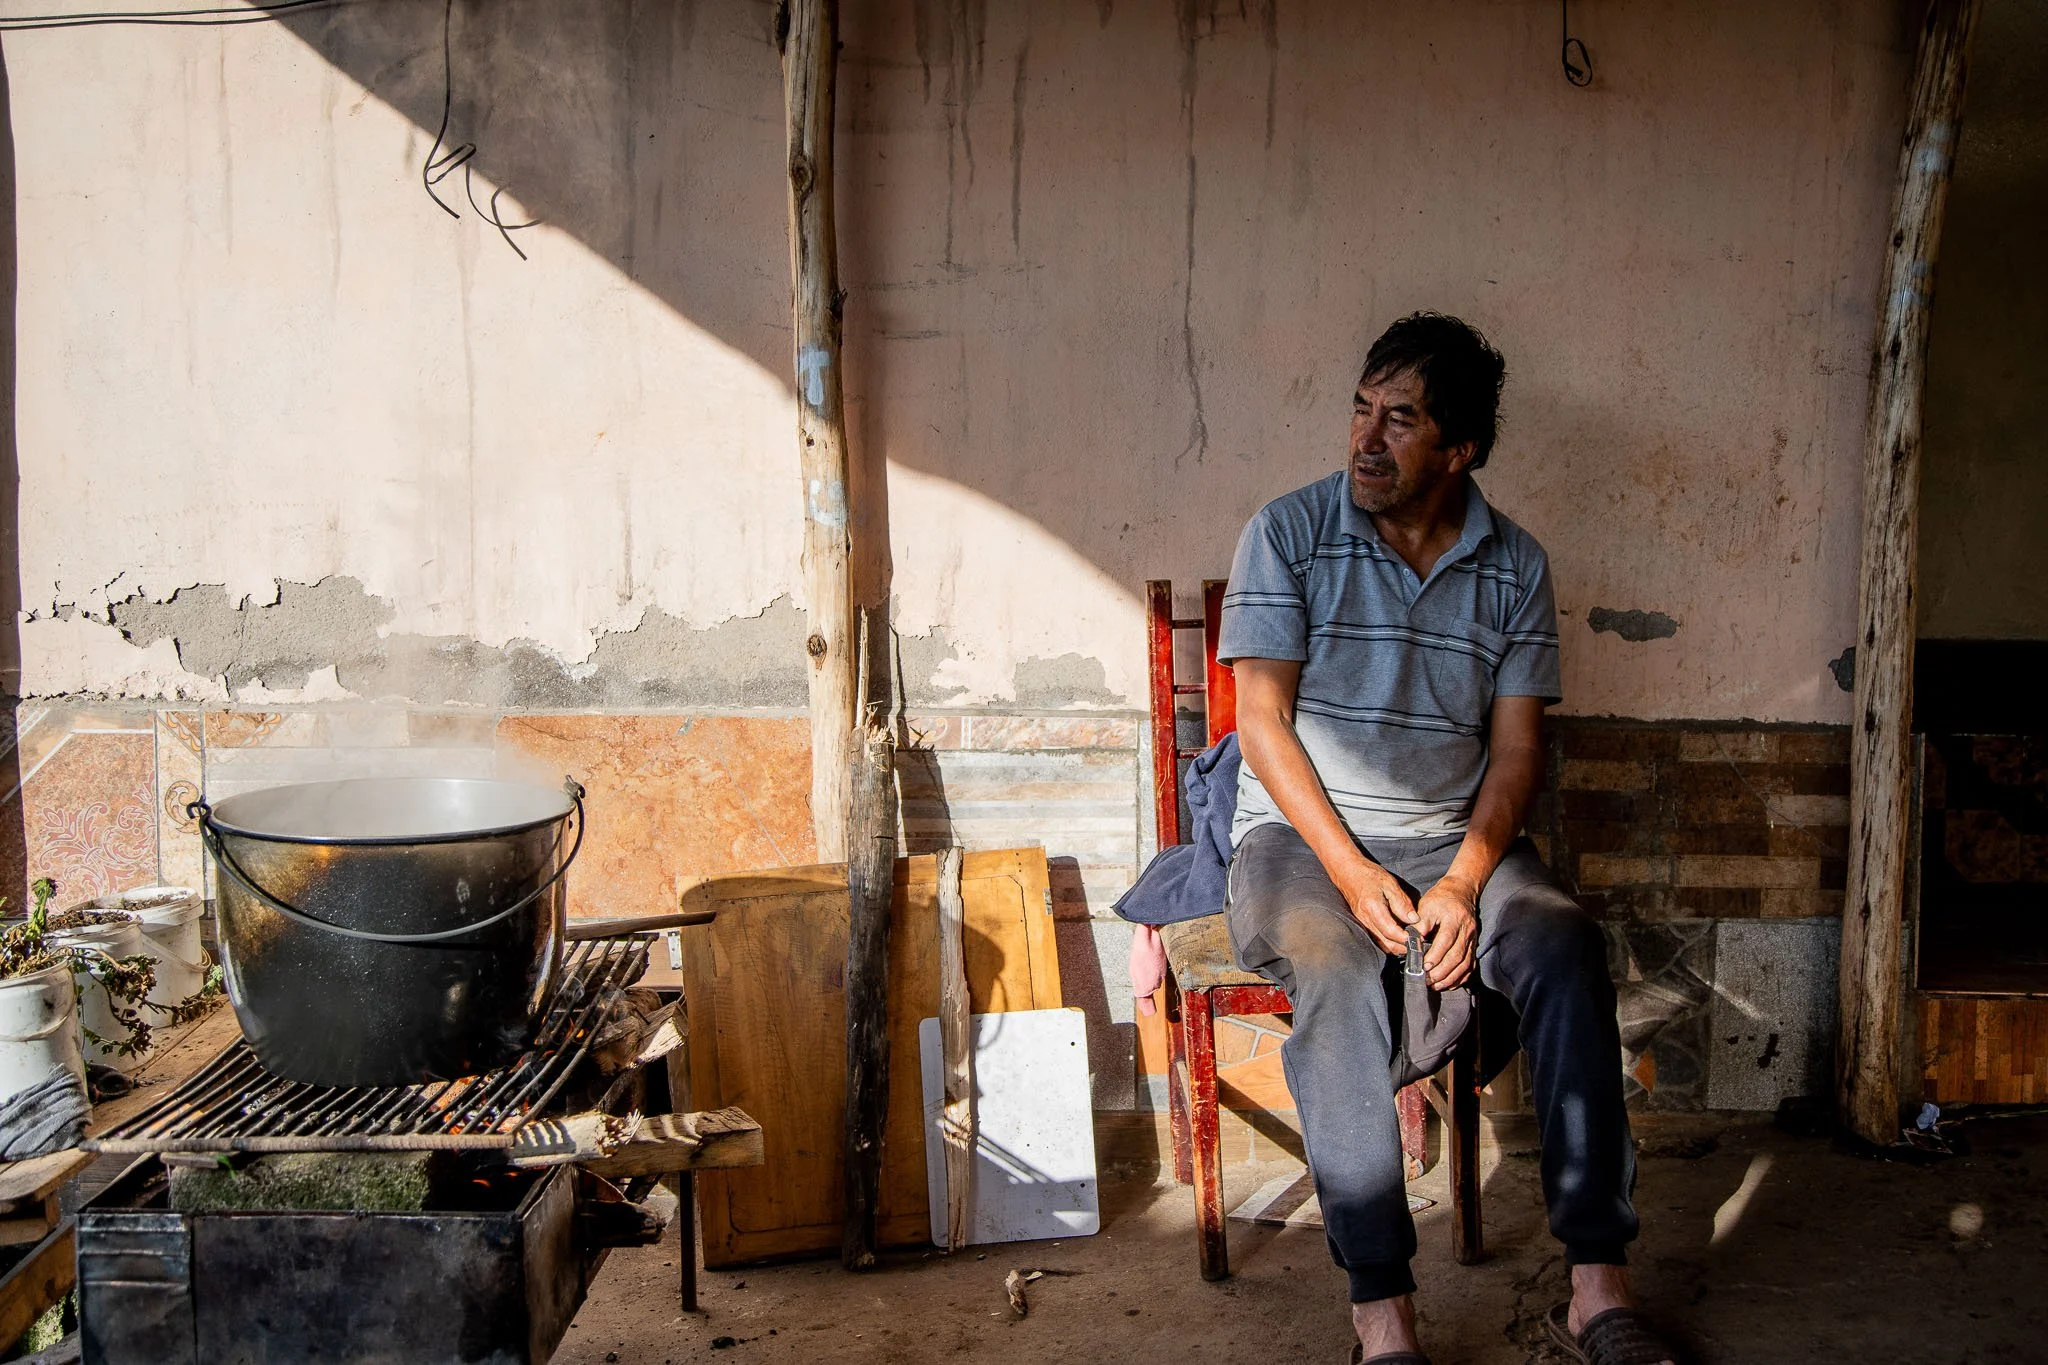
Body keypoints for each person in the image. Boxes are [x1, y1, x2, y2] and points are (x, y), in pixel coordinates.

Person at [1219, 312, 1679, 1365]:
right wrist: (1350, 869)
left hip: (1448, 842)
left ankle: (1597, 1291)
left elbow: (1515, 755)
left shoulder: (1515, 565)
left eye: (1400, 420)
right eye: (1359, 409)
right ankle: (1381, 1318)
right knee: (1334, 963)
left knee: (1563, 945)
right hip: (1300, 840)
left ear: (1457, 450)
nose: (1364, 440)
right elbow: (1259, 723)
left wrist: (1466, 880)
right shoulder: (1286, 532)